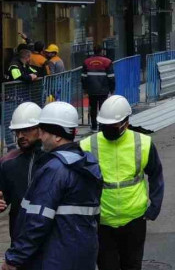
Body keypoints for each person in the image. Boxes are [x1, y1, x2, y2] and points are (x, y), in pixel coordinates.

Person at [2, 101, 102, 270]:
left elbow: (37, 221)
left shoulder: (55, 169)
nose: (40, 137)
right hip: (83, 255)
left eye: (43, 131)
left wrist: (14, 259)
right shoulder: (88, 163)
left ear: (57, 135)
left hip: (54, 258)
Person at [81, 95, 164, 270]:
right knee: (107, 266)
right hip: (102, 221)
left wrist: (154, 205)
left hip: (134, 219)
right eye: (105, 125)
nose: (109, 129)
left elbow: (155, 174)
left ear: (126, 122)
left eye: (113, 126)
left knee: (132, 265)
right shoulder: (88, 145)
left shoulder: (143, 143)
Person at [0, 103, 46, 240]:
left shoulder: (53, 159)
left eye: (26, 130)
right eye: (17, 131)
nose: (20, 136)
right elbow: (4, 196)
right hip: (20, 236)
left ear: (40, 129)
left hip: (50, 237)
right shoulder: (8, 163)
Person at [82, 45, 115, 131]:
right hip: (103, 89)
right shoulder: (107, 62)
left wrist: (85, 89)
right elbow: (111, 77)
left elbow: (83, 77)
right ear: (102, 51)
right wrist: (112, 89)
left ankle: (93, 126)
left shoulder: (86, 62)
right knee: (102, 108)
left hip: (91, 90)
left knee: (93, 108)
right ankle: (102, 126)